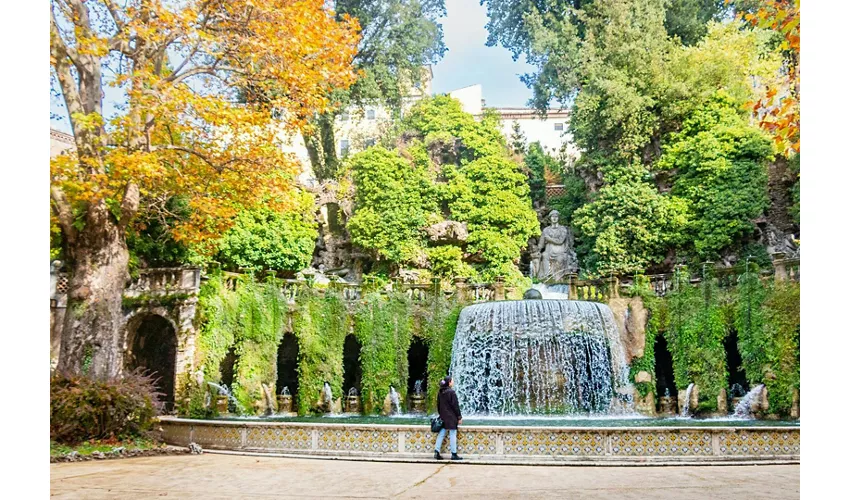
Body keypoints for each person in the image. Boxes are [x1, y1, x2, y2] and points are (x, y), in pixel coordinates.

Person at [434, 376, 463, 461]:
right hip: (451, 417)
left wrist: (441, 414)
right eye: (452, 381)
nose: (453, 382)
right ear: (449, 382)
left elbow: (438, 405)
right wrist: (459, 417)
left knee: (442, 433)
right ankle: (454, 454)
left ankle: (436, 452)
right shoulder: (451, 392)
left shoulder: (440, 392)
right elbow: (455, 406)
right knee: (452, 434)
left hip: (443, 416)